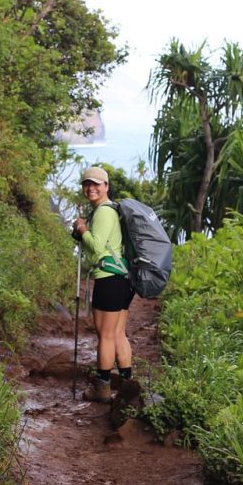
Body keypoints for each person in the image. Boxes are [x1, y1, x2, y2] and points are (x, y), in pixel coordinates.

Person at [72, 165, 134, 402]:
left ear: (106, 186)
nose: (91, 188)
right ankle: (128, 385)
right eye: (87, 183)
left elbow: (97, 247)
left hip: (109, 279)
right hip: (122, 278)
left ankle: (103, 388)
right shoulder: (108, 210)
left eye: (96, 184)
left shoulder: (104, 212)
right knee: (118, 333)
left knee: (106, 335)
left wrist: (82, 230)